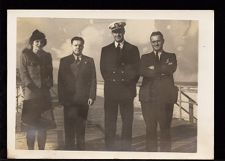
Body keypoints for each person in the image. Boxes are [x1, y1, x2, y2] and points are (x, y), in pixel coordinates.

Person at [100, 21, 140, 151]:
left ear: (124, 32)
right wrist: (115, 82)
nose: (117, 34)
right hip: (111, 91)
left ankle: (126, 148)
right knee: (110, 121)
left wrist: (127, 84)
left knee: (127, 122)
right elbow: (103, 70)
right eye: (115, 32)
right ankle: (109, 147)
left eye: (120, 31)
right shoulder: (105, 50)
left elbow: (136, 70)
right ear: (112, 33)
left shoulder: (133, 49)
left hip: (127, 91)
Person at [139, 31, 178, 152]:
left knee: (165, 130)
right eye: (153, 41)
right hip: (148, 100)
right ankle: (151, 160)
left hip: (165, 100)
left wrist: (152, 69)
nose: (156, 43)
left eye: (158, 41)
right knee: (150, 130)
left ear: (163, 41)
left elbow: (171, 68)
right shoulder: (144, 57)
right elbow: (142, 71)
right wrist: (161, 70)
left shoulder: (171, 56)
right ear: (151, 42)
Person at [58, 36, 96, 150]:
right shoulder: (64, 61)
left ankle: (81, 150)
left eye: (80, 45)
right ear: (71, 46)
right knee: (69, 127)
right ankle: (69, 150)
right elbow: (60, 81)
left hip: (83, 100)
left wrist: (91, 96)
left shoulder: (89, 61)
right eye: (75, 45)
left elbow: (93, 79)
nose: (77, 47)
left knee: (81, 127)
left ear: (83, 46)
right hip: (69, 101)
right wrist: (62, 99)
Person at [20, 29, 55, 150]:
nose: (39, 44)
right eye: (36, 41)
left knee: (43, 125)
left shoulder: (47, 56)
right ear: (32, 42)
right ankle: (30, 152)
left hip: (44, 94)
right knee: (30, 125)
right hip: (31, 95)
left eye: (41, 41)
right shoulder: (25, 54)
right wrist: (32, 87)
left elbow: (50, 74)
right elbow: (24, 74)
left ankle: (41, 151)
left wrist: (48, 85)